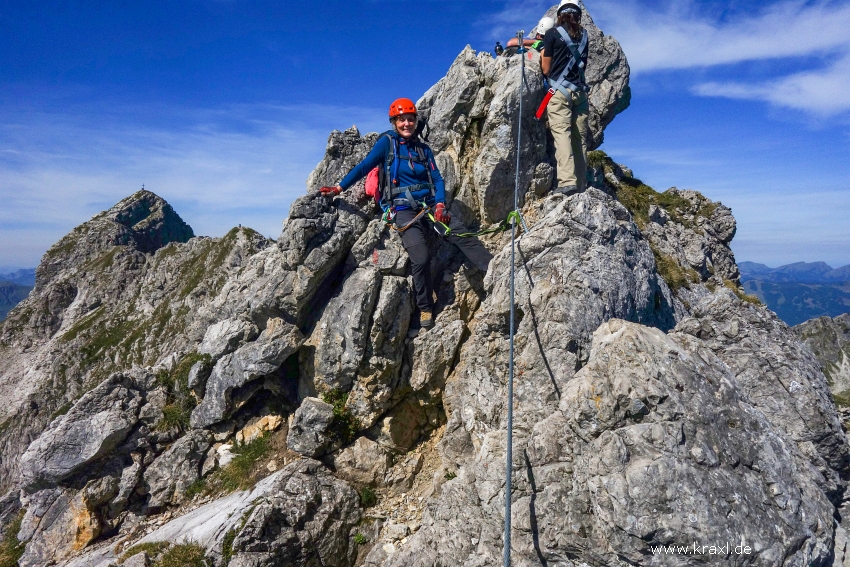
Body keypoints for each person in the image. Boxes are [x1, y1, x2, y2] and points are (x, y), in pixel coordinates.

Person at [319, 98, 493, 331]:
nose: (407, 123)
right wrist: (339, 188)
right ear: (394, 122)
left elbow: (437, 179)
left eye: (410, 119)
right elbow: (363, 166)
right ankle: (425, 308)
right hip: (402, 209)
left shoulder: (424, 150)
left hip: (429, 205)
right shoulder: (386, 145)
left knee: (461, 234)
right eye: (402, 120)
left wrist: (440, 205)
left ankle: (494, 270)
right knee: (420, 257)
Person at [541, 0, 590, 195]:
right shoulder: (585, 35)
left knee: (562, 136)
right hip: (580, 93)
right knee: (580, 140)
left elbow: (546, 69)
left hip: (559, 92)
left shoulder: (552, 34)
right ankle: (580, 186)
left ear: (560, 14)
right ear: (578, 14)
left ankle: (567, 182)